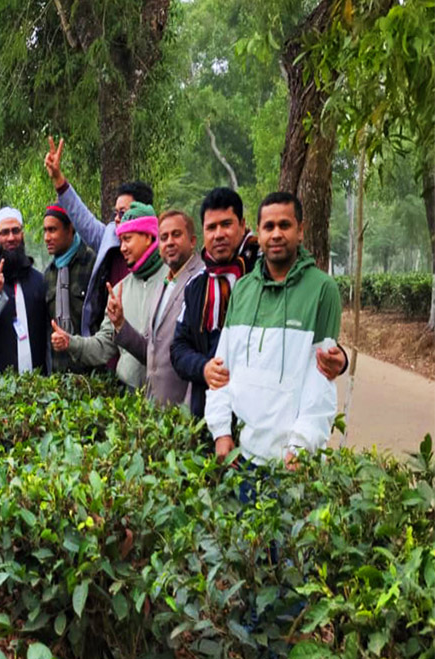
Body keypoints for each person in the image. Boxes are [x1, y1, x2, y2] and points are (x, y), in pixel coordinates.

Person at [171, 187, 346, 418]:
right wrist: (204, 368)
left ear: (243, 225)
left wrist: (339, 359)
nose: (219, 234)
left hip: (270, 418)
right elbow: (178, 348)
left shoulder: (266, 272)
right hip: (211, 413)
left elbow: (302, 337)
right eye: (211, 227)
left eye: (226, 224)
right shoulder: (196, 286)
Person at [204, 192, 343, 466]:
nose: (276, 234)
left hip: (291, 462)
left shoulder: (323, 290)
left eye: (285, 225)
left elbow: (321, 381)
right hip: (241, 457)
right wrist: (221, 432)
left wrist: (301, 448)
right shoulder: (243, 289)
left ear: (300, 230)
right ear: (259, 233)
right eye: (269, 227)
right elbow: (222, 370)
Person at [50, 201, 168, 391]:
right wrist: (71, 342)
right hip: (129, 397)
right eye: (120, 241)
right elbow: (103, 346)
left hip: (168, 397)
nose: (122, 248)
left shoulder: (173, 282)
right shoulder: (120, 290)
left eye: (127, 239)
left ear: (148, 237)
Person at [44, 136, 153, 336]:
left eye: (123, 213)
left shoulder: (162, 253)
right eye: (116, 213)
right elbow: (82, 219)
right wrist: (59, 180)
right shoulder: (109, 239)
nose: (118, 219)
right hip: (112, 341)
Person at [118, 209, 205, 409]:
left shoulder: (201, 280)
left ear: (192, 241)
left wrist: (187, 413)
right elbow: (152, 351)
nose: (170, 242)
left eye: (176, 235)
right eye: (164, 237)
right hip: (155, 408)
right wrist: (120, 324)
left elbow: (201, 353)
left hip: (183, 412)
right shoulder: (163, 285)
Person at [0, 207, 50, 374]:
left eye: (15, 231)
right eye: (5, 232)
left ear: (22, 235)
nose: (11, 238)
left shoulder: (40, 281)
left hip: (38, 382)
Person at [42, 204, 97, 373]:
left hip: (93, 372)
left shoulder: (92, 264)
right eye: (45, 231)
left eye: (52, 230)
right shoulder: (49, 274)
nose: (47, 237)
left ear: (70, 229)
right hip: (59, 373)